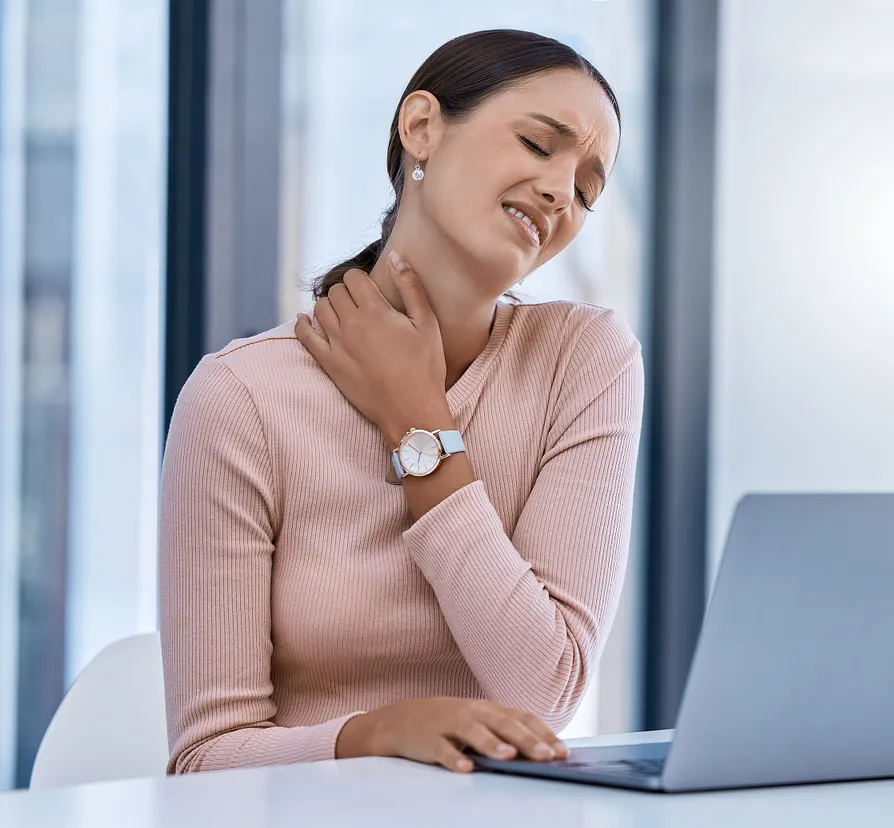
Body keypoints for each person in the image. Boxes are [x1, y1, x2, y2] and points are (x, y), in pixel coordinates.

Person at [159, 29, 641, 776]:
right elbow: (204, 758)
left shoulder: (584, 361)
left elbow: (545, 693)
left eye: (585, 188)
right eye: (539, 145)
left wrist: (419, 425)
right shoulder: (240, 398)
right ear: (421, 128)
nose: (559, 193)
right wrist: (380, 732)